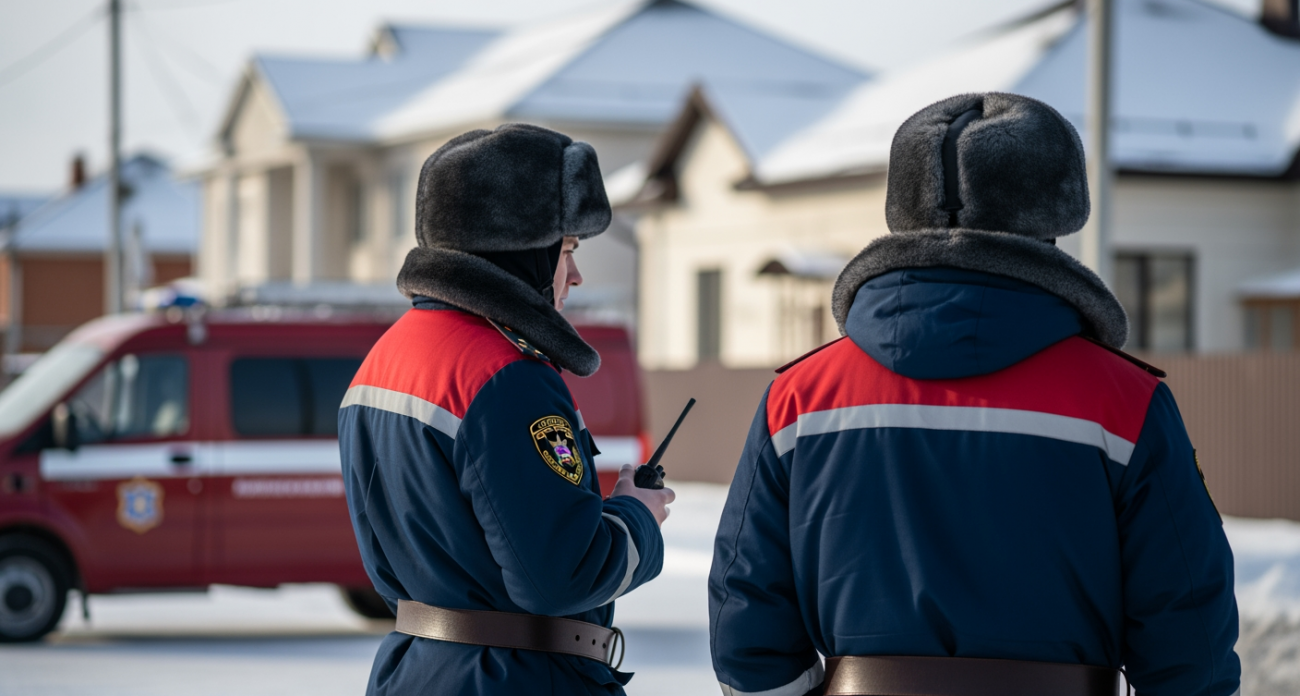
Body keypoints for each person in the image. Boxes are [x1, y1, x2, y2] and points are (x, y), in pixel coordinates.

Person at [708, 93, 1239, 696]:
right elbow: (1188, 627)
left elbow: (745, 608)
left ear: (901, 209)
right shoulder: (1125, 403)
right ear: (1055, 215)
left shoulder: (799, 399)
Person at [339, 123, 674, 696]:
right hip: (516, 677)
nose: (575, 275)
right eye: (566, 250)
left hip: (415, 671)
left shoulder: (384, 358)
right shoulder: (506, 376)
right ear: (524, 252)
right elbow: (562, 576)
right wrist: (637, 515)